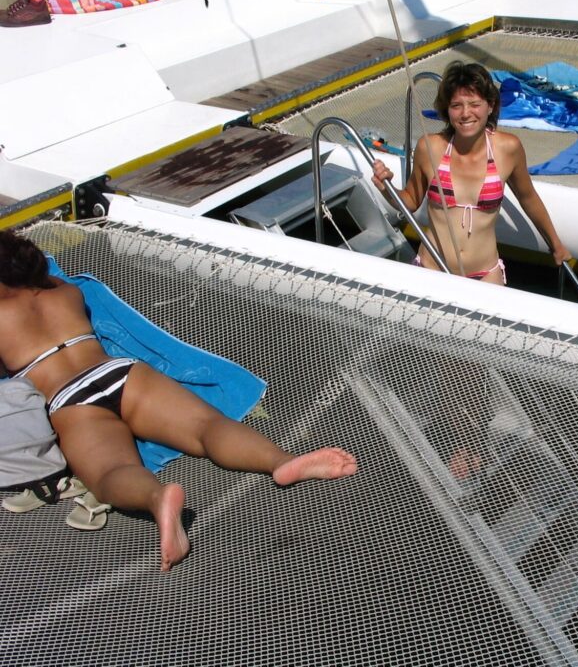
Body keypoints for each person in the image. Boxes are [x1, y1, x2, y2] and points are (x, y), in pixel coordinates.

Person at [0, 230, 357, 572]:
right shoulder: (65, 292)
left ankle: (157, 499)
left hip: (69, 398)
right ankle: (282, 461)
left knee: (111, 473)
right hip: (119, 372)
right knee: (208, 426)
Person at [372, 61, 571, 285]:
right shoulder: (430, 147)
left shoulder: (508, 149)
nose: (466, 113)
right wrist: (387, 188)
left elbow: (528, 198)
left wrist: (556, 245)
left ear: (490, 106)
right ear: (447, 110)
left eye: (475, 104)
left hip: (486, 274)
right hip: (432, 269)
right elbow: (410, 201)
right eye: (456, 105)